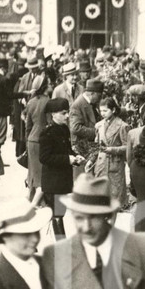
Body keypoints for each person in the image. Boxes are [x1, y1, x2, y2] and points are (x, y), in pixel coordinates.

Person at [39, 97, 86, 237]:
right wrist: (68, 159)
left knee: (59, 213)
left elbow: (66, 150)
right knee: (57, 214)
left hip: (62, 180)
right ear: (53, 114)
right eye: (63, 113)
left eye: (67, 113)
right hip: (53, 181)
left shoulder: (64, 129)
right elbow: (44, 158)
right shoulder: (47, 132)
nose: (67, 116)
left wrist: (75, 158)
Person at [93, 97, 130, 208]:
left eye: (105, 111)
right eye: (101, 111)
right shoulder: (99, 125)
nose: (102, 113)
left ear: (113, 110)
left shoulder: (122, 126)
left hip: (115, 164)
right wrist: (91, 160)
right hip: (101, 164)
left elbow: (127, 147)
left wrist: (113, 150)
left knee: (114, 199)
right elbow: (97, 145)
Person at [24, 74, 51, 202]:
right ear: (45, 87)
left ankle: (32, 197)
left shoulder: (31, 102)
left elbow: (28, 126)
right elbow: (50, 123)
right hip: (43, 140)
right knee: (43, 171)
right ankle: (41, 201)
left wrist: (26, 141)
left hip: (31, 140)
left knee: (33, 170)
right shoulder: (48, 101)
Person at [70, 78, 102, 178]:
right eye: (99, 95)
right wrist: (96, 132)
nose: (100, 98)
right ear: (92, 93)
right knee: (82, 180)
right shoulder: (78, 105)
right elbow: (75, 128)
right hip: (81, 147)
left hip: (90, 147)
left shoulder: (91, 103)